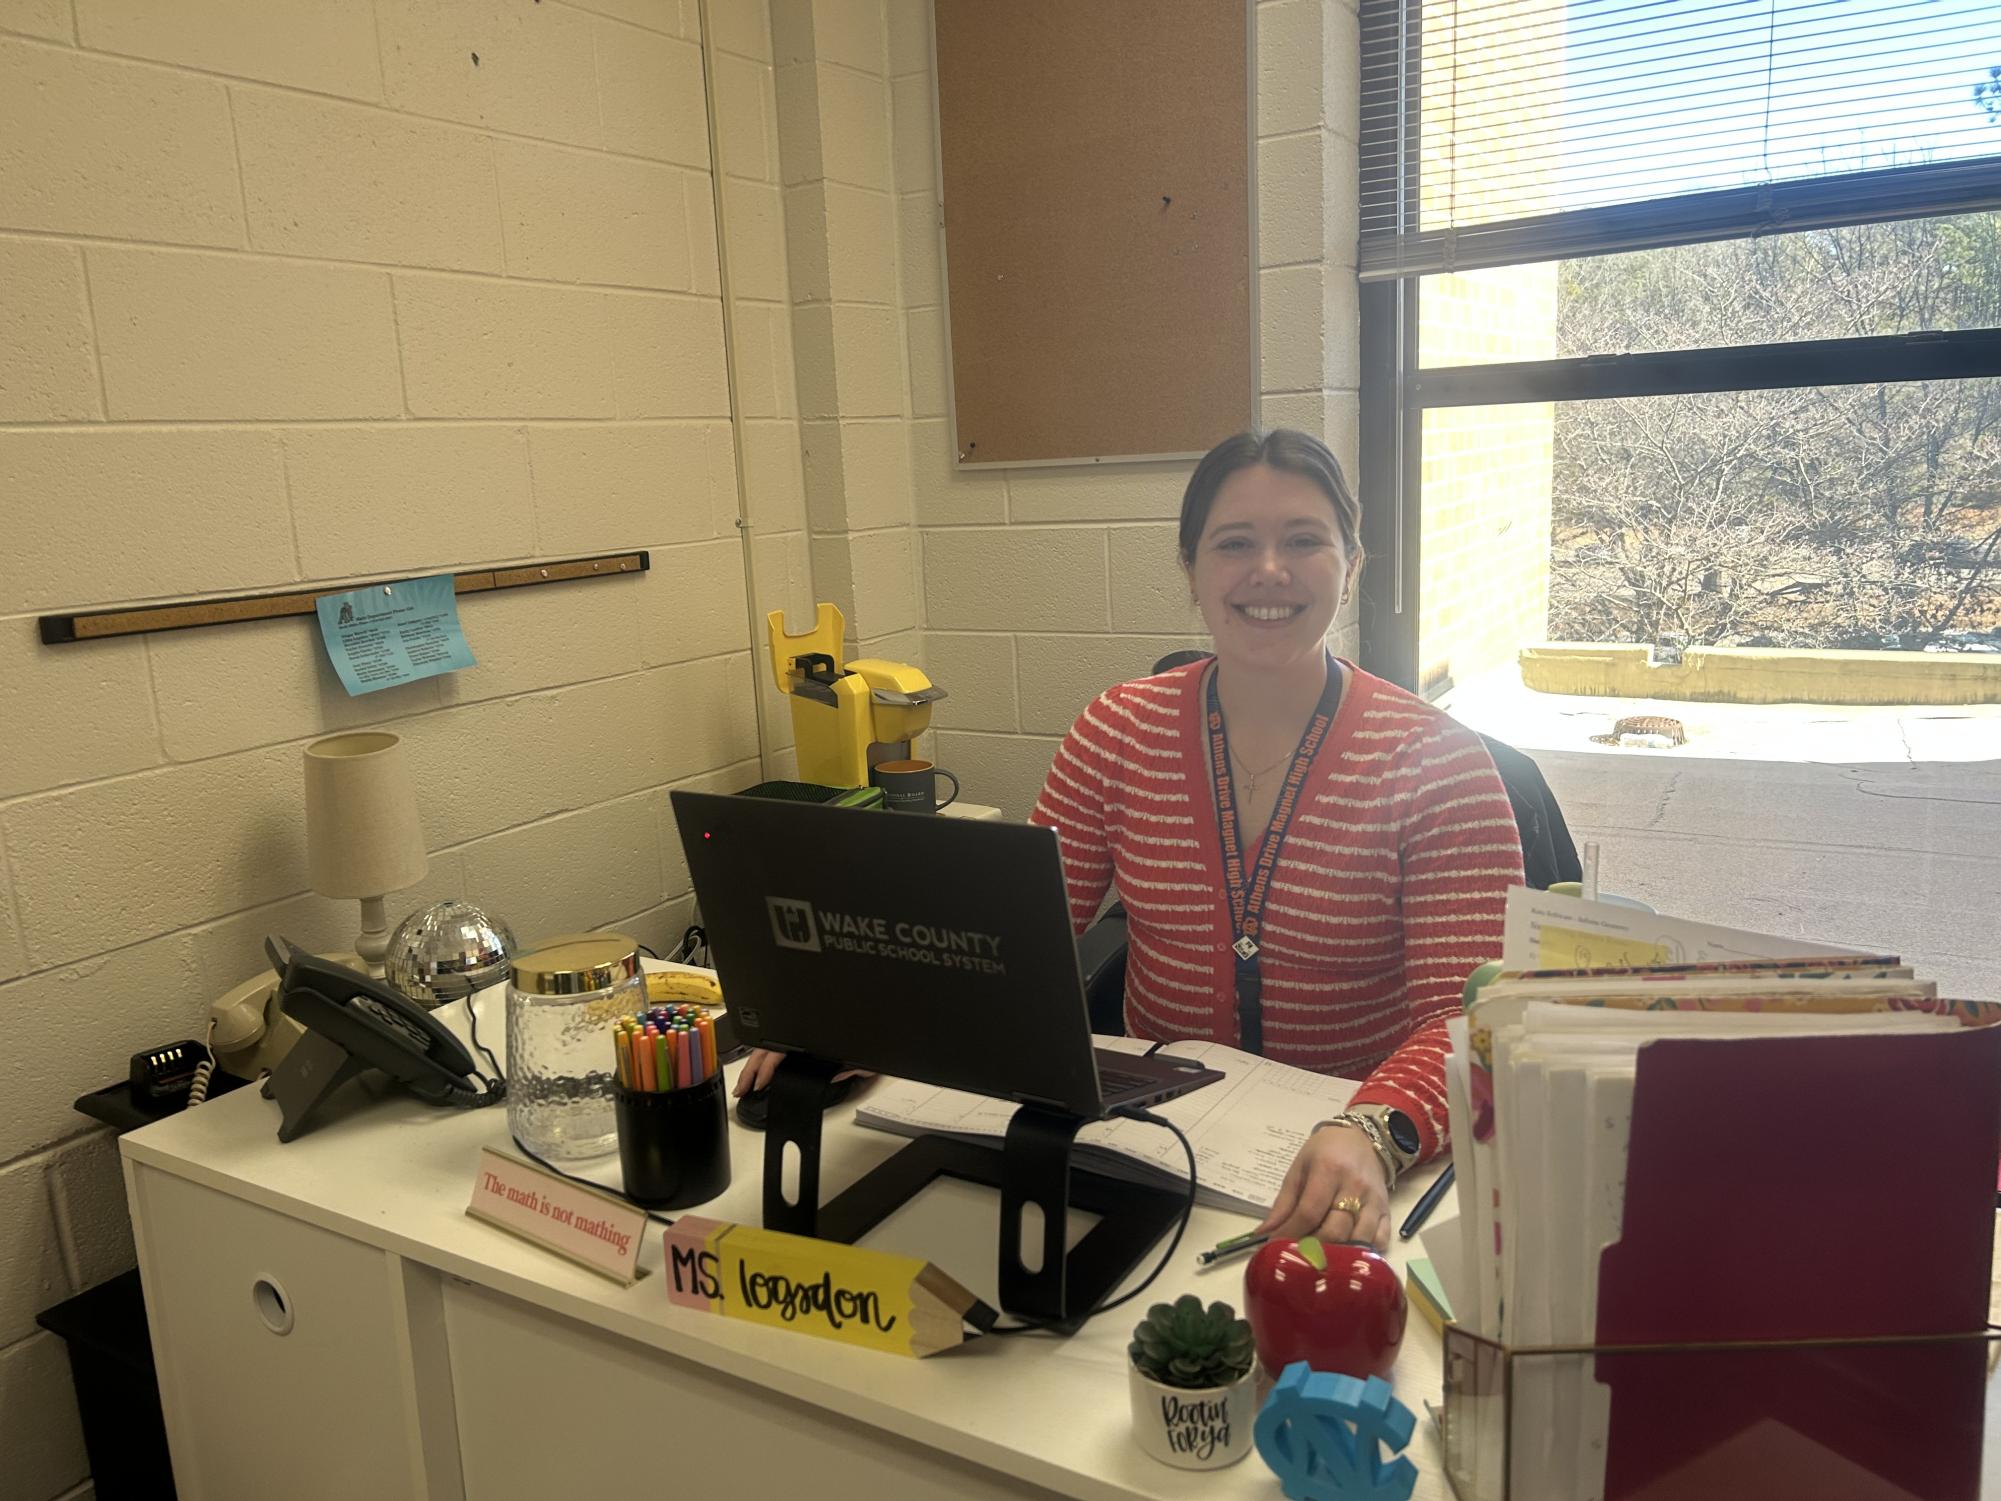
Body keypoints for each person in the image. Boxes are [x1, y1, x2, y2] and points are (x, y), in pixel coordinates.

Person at [1028, 428, 1524, 1249]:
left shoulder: (1439, 763)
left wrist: (1375, 1128)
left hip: (1347, 1153)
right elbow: (1022, 939)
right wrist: (879, 1029)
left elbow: (1474, 1017)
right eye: (1233, 544)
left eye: (1302, 540)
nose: (1268, 570)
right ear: (1190, 569)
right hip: (1147, 1141)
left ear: (1351, 564)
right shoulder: (1114, 731)